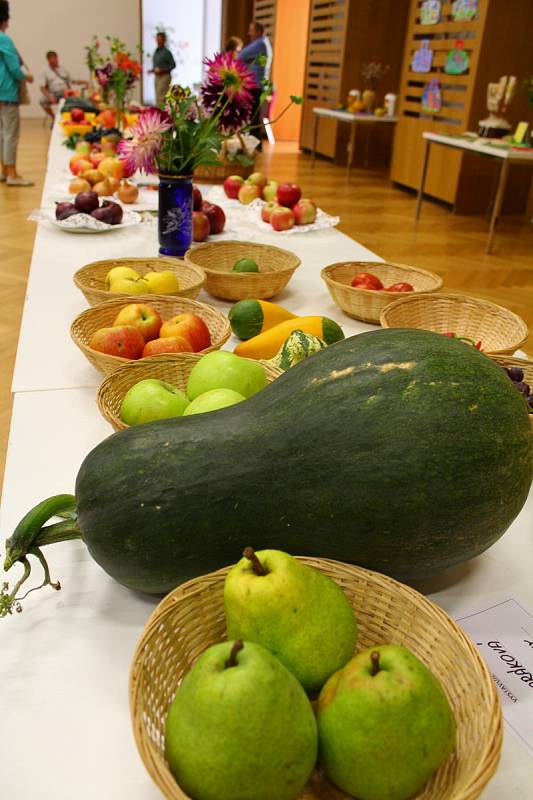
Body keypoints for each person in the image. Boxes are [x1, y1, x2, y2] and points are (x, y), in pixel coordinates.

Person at [0, 0, 34, 186]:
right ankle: (12, 174)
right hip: (6, 91)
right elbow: (14, 68)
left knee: (2, 133)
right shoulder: (4, 39)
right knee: (11, 134)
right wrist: (27, 77)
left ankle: (4, 170)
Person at [237, 21, 272, 145]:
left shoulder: (260, 43)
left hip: (255, 86)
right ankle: (255, 146)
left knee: (253, 118)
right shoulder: (264, 43)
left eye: (251, 30)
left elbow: (241, 55)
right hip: (258, 85)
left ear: (258, 32)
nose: (248, 33)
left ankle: (255, 146)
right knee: (253, 117)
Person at [40, 51, 86, 120]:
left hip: (65, 92)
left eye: (55, 59)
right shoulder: (45, 70)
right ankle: (54, 118)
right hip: (54, 93)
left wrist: (85, 82)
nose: (54, 61)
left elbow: (73, 81)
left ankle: (71, 117)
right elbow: (42, 87)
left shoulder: (63, 69)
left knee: (78, 100)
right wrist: (49, 96)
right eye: (52, 59)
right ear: (48, 60)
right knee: (42, 101)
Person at [150, 32, 175, 107]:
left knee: (161, 97)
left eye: (160, 39)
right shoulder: (156, 51)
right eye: (157, 39)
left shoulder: (167, 52)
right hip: (157, 77)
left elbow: (173, 65)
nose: (158, 41)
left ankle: (161, 115)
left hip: (165, 77)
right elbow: (156, 65)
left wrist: (163, 70)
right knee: (157, 97)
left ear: (164, 40)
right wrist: (153, 70)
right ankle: (159, 113)